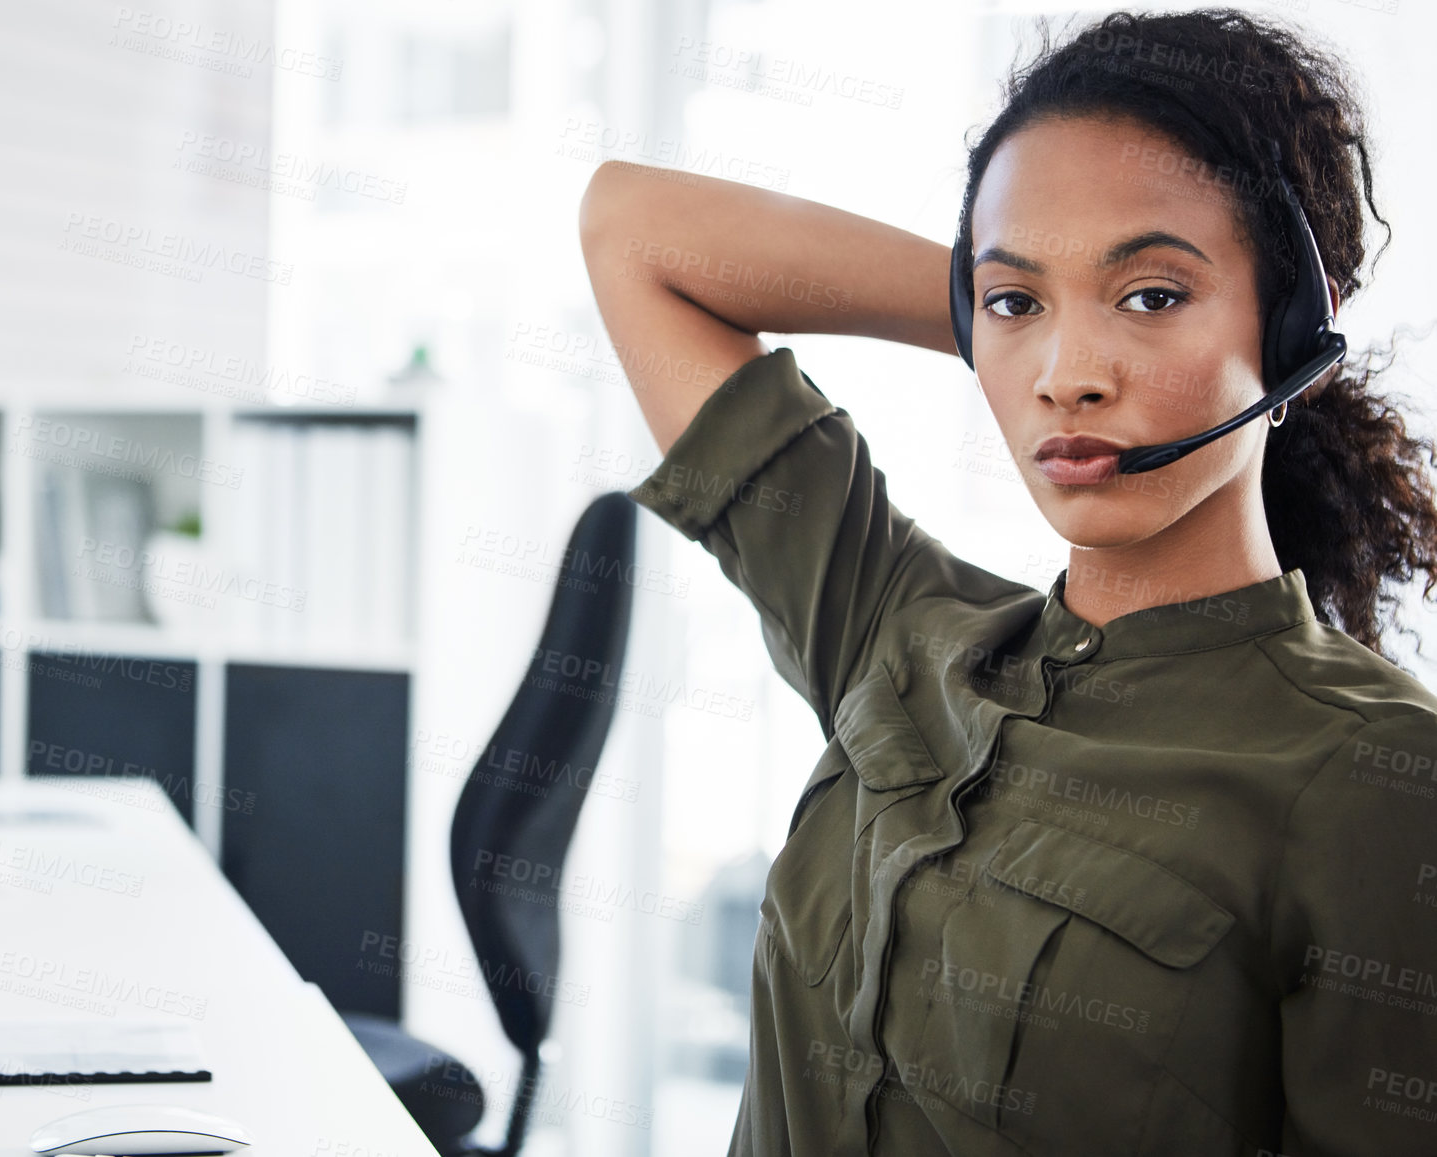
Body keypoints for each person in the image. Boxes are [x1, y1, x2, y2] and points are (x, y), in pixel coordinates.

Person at [579, 7, 1437, 1155]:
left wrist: (1033, 303)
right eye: (1016, 304)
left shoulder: (1374, 777)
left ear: (1287, 331)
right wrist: (989, 309)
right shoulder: (896, 622)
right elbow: (633, 229)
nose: (1067, 377)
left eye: (1151, 294)